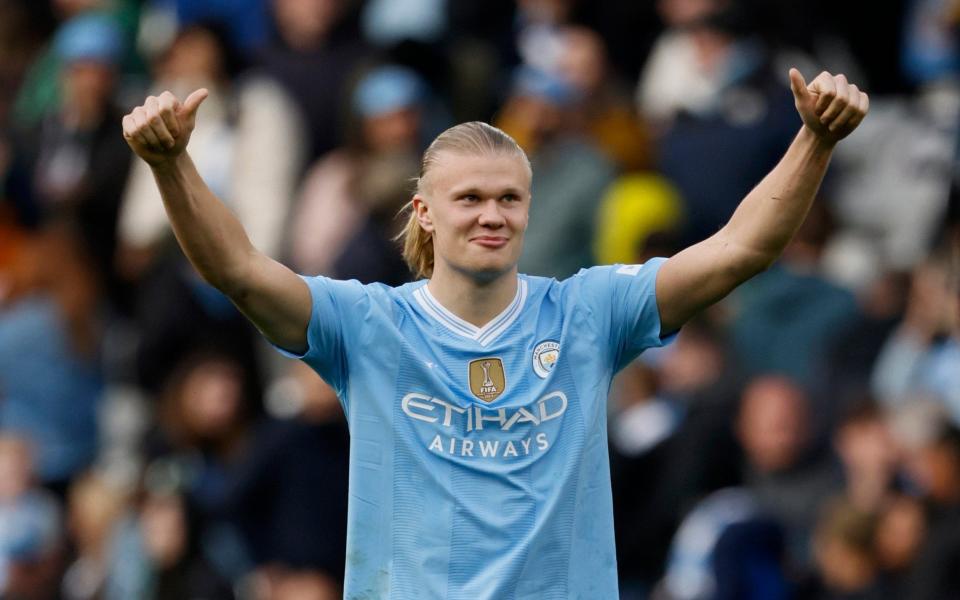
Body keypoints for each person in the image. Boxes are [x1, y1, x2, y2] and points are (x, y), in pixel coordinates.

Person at [120, 68, 868, 598]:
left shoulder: (588, 313)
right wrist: (170, 162)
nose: (491, 214)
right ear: (424, 212)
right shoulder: (369, 324)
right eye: (469, 197)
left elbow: (740, 250)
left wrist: (815, 142)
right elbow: (240, 271)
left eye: (509, 197)